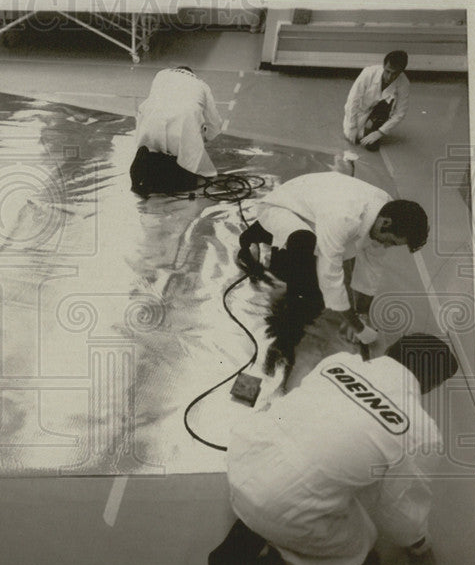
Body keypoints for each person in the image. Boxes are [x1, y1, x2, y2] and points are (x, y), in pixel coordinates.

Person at [208, 333, 459, 565]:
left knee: (307, 472)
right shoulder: (420, 430)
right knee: (360, 542)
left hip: (244, 462)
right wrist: (417, 540)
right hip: (282, 506)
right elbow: (398, 508)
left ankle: (246, 538)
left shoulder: (339, 363)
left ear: (392, 352)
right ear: (430, 385)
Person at [236, 172, 429, 347]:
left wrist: (362, 314)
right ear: (386, 223)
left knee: (321, 281)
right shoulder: (344, 217)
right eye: (392, 242)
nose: (387, 246)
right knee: (305, 276)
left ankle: (271, 241)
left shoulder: (387, 212)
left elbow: (371, 268)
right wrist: (357, 327)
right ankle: (258, 234)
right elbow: (330, 273)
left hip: (313, 210)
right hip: (284, 207)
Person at [130, 66, 223, 197]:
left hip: (150, 125)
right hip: (183, 127)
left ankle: (148, 160)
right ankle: (160, 179)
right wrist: (206, 137)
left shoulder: (161, 74)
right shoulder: (202, 85)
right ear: (192, 74)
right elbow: (215, 124)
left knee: (156, 148)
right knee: (189, 180)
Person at [343, 51, 410, 152]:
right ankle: (363, 128)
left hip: (381, 113)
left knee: (371, 146)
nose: (389, 77)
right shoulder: (368, 73)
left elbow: (400, 113)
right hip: (361, 110)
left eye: (394, 74)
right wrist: (352, 126)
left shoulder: (404, 83)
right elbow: (353, 100)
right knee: (353, 137)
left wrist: (380, 132)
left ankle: (374, 127)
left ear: (401, 71)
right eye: (387, 71)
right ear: (383, 66)